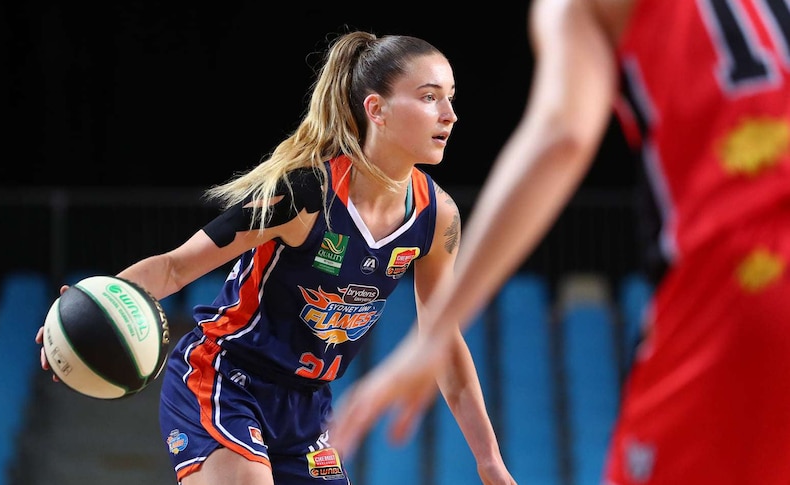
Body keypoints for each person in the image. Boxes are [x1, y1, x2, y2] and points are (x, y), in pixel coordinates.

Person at [328, 1, 790, 484]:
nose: (449, 115)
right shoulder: (303, 194)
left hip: (744, 275)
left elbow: (562, 135)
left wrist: (437, 333)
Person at [35, 30, 516, 485]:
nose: (450, 114)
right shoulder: (304, 194)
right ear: (378, 109)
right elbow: (175, 266)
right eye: (430, 96)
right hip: (224, 377)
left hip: (306, 408)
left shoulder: (438, 217)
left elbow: (442, 339)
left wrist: (489, 460)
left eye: (451, 97)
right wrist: (89, 307)